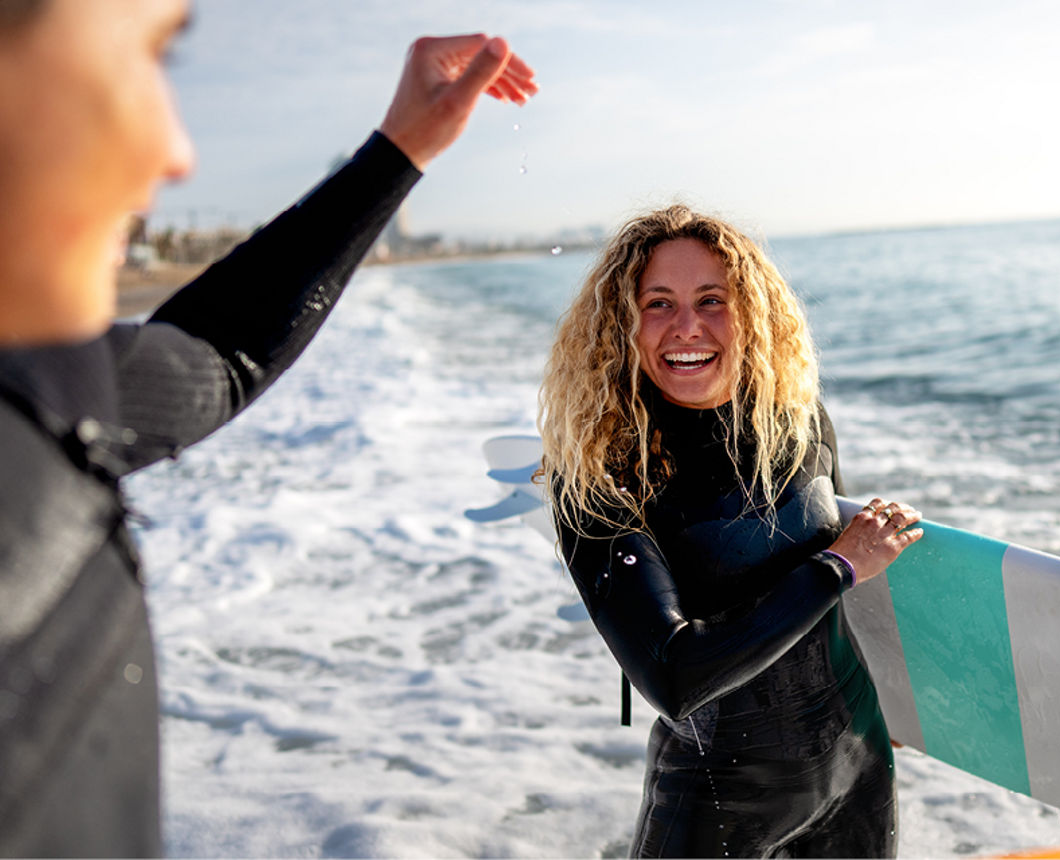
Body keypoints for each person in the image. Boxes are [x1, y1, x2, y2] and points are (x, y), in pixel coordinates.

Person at [0, 0, 537, 855]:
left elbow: (219, 354)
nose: (172, 153)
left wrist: (402, 149)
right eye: (138, 62)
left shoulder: (45, 387)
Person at [538, 204, 924, 858]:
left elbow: (833, 609)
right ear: (622, 326)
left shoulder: (798, 421)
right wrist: (839, 566)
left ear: (752, 310)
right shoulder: (602, 475)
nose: (686, 326)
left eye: (711, 299)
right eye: (657, 303)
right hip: (718, 798)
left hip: (856, 761)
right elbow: (674, 676)